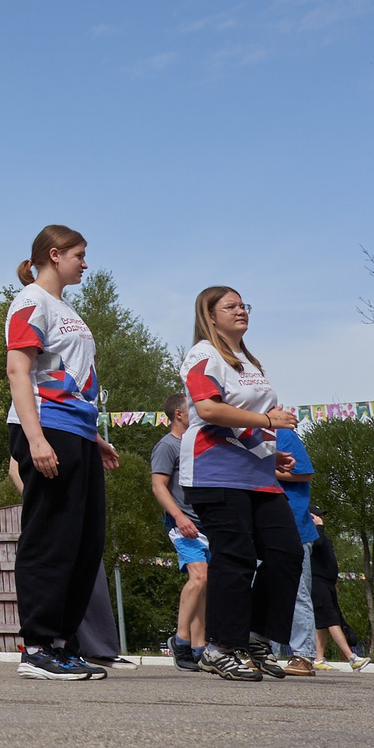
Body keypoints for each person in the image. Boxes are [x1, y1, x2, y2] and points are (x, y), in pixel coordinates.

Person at [5, 225, 118, 684]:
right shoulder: (31, 301)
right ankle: (36, 646)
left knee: (84, 540)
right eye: (80, 255)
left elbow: (70, 376)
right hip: (44, 429)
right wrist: (35, 439)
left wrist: (93, 435)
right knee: (50, 538)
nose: (86, 263)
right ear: (54, 255)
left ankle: (63, 645)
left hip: (75, 431)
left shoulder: (65, 308)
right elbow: (19, 369)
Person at [178, 285, 302, 683]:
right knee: (236, 557)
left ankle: (256, 638)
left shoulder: (249, 361)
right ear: (210, 315)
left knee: (286, 552)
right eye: (230, 306)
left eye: (243, 305)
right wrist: (269, 423)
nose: (240, 310)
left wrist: (268, 450)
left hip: (257, 474)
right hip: (214, 470)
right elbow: (209, 409)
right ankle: (219, 647)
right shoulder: (203, 354)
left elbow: (240, 418)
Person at [149, 394, 207, 669]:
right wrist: (179, 516)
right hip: (182, 524)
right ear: (178, 415)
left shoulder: (198, 443)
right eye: (191, 409)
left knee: (204, 585)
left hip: (206, 522)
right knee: (199, 577)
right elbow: (159, 486)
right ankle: (180, 641)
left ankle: (200, 647)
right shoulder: (167, 446)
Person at [273, 421, 320, 675]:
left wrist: (266, 472)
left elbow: (305, 472)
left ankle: (303, 655)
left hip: (294, 525)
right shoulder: (245, 435)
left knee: (297, 590)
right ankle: (263, 653)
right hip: (262, 524)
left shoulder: (283, 435)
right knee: (262, 589)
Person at [302, 514, 360, 669]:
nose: (321, 518)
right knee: (332, 620)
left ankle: (318, 659)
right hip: (317, 583)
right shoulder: (310, 536)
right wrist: (319, 527)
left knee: (322, 623)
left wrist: (334, 582)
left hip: (327, 583)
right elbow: (318, 544)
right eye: (317, 516)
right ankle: (352, 657)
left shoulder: (322, 536)